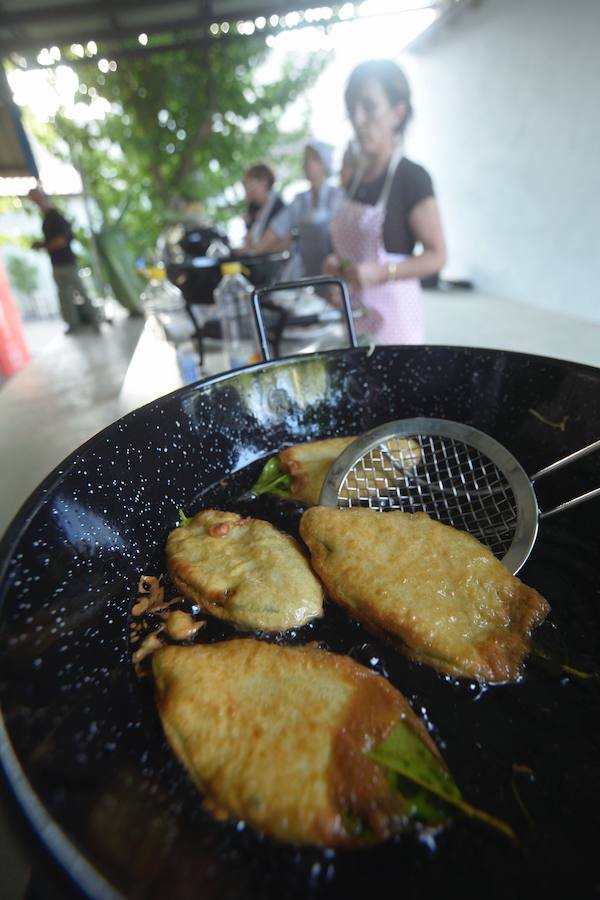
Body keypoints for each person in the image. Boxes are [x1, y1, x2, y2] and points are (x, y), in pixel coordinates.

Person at [323, 60, 447, 344]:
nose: (357, 119)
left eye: (369, 106)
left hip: (395, 328)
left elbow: (437, 255)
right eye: (352, 108)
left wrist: (382, 272)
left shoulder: (411, 177)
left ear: (397, 112)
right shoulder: (355, 180)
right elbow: (347, 250)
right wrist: (335, 265)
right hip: (353, 320)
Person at [248, 141, 343, 280]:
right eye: (305, 160)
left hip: (334, 270)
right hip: (305, 272)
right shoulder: (300, 200)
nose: (306, 164)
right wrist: (254, 252)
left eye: (311, 160)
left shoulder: (337, 196)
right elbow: (277, 228)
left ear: (323, 163)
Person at [28, 187, 99, 334]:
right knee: (65, 297)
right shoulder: (47, 219)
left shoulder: (56, 218)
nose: (35, 202)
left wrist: (42, 245)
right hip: (58, 264)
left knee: (81, 293)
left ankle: (95, 321)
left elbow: (60, 241)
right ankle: (74, 324)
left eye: (36, 198)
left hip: (67, 263)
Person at [241, 163, 285, 250]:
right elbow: (249, 239)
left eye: (252, 186)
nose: (249, 190)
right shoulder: (253, 207)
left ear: (264, 182)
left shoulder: (277, 206)